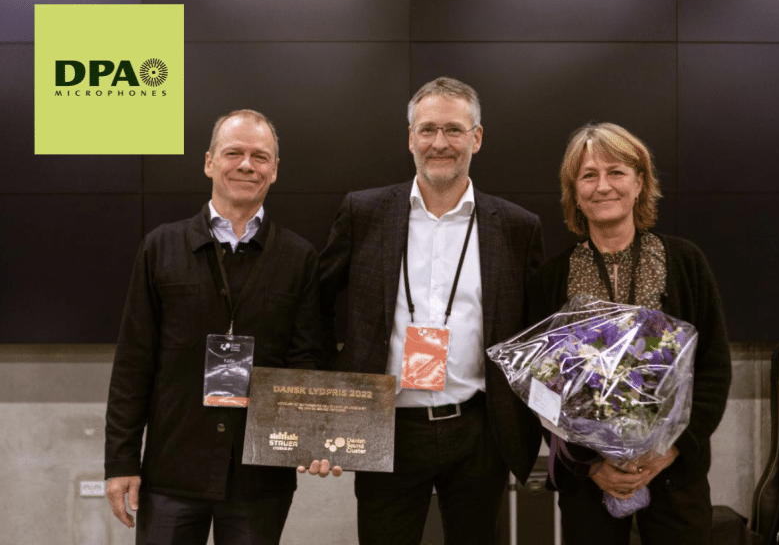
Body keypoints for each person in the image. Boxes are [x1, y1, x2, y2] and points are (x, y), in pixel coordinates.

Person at [319, 77, 544, 544]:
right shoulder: (364, 212)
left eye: (454, 130)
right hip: (387, 429)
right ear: (410, 138)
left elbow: (534, 332)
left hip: (479, 430)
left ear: (476, 138)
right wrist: (335, 385)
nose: (439, 143)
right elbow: (316, 301)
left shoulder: (516, 227)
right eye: (427, 129)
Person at [104, 109, 339, 545]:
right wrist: (121, 461)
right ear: (209, 162)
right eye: (234, 153)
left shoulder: (299, 257)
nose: (247, 165)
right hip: (172, 470)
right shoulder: (160, 247)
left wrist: (314, 439)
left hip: (259, 476)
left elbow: (306, 359)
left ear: (274, 170)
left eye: (260, 156)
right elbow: (134, 363)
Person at [532, 122, 732, 544]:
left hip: (675, 476)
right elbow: (541, 386)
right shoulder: (551, 278)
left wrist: (670, 449)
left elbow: (713, 368)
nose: (603, 186)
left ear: (639, 183)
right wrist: (591, 466)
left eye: (616, 172)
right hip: (589, 484)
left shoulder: (685, 262)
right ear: (574, 192)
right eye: (589, 175)